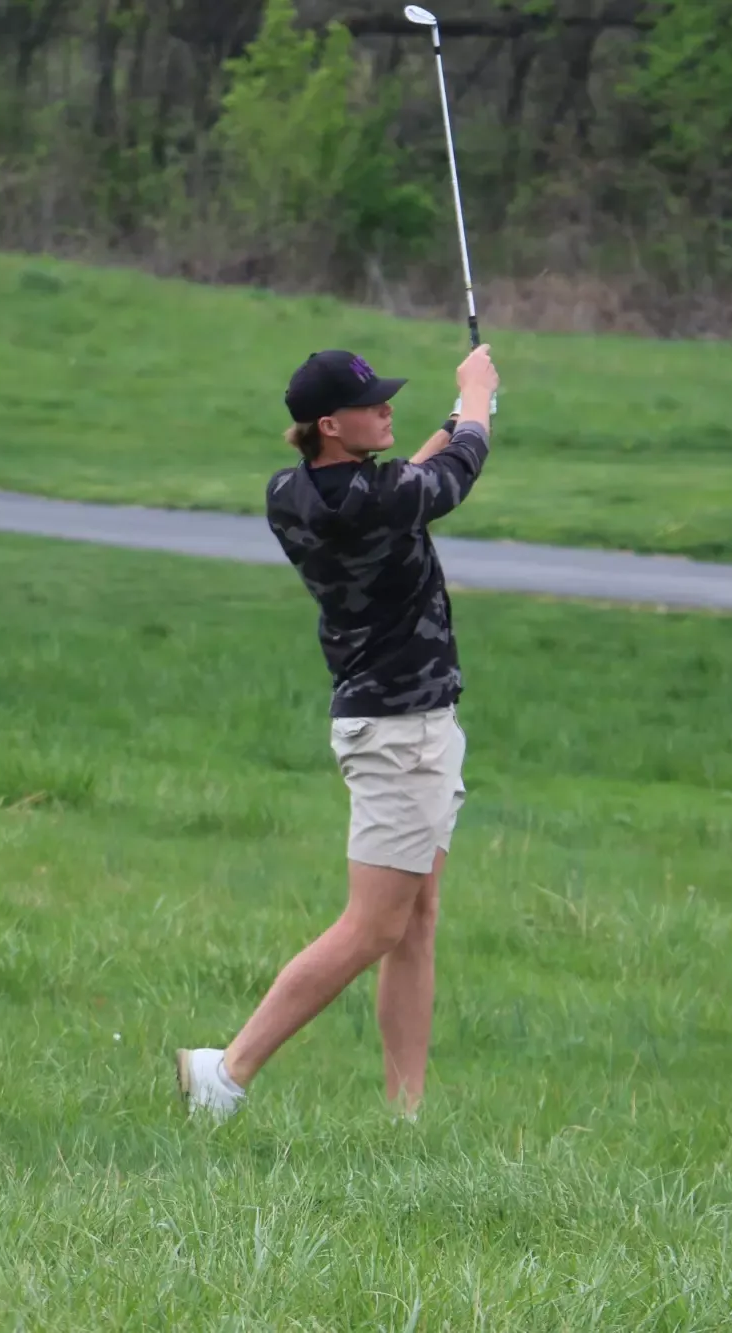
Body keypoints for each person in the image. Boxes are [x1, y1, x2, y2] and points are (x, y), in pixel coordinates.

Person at [175, 342, 501, 1121]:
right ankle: (227, 1071)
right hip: (401, 733)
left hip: (400, 722)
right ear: (329, 424)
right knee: (375, 923)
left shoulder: (293, 489)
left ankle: (404, 1115)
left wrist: (458, 420)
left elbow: (406, 484)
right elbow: (446, 481)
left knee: (416, 919)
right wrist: (479, 401)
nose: (387, 408)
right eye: (372, 403)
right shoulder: (370, 499)